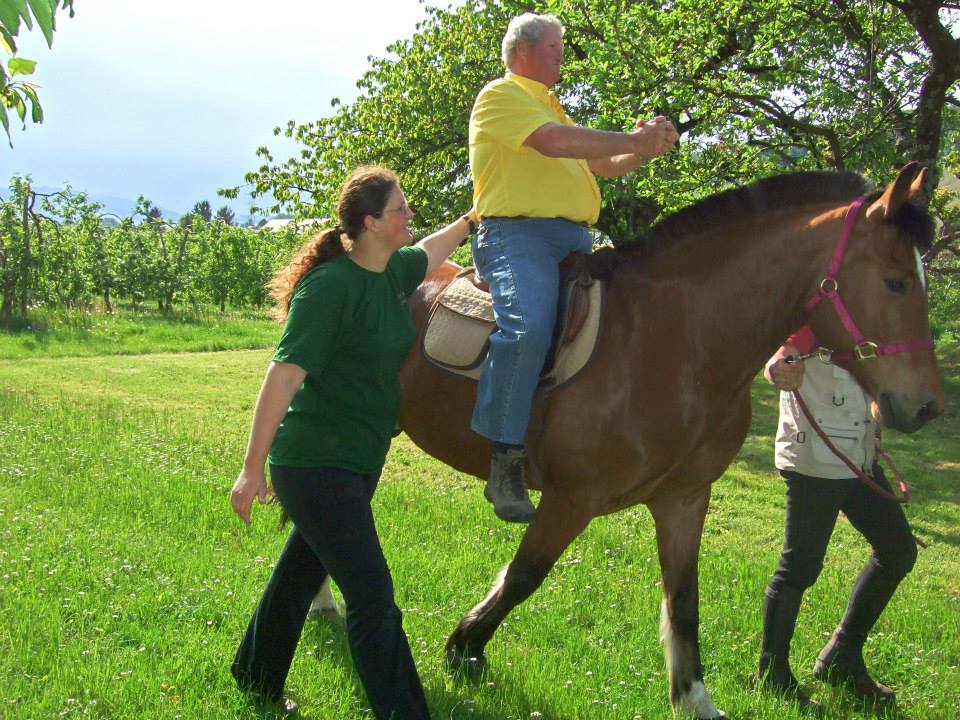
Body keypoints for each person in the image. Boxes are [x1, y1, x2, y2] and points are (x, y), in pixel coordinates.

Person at [229, 165, 475, 718]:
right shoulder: (330, 287)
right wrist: (251, 468)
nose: (410, 216)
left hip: (358, 460)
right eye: (400, 210)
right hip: (315, 464)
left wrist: (471, 217)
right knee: (371, 597)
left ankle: (252, 675)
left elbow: (433, 252)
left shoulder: (389, 272)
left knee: (299, 574)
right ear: (370, 222)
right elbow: (284, 375)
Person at [468, 12, 679, 523]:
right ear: (521, 51)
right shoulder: (501, 96)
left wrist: (644, 146)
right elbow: (555, 144)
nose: (563, 55)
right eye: (555, 46)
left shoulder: (551, 107)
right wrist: (630, 140)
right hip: (517, 237)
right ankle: (505, 459)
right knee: (528, 327)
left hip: (577, 239)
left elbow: (602, 165)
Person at [758, 325, 918, 709]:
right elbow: (784, 353)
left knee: (897, 550)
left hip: (857, 456)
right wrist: (779, 368)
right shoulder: (825, 305)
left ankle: (841, 657)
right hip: (815, 457)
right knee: (799, 567)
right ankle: (772, 674)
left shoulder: (868, 303)